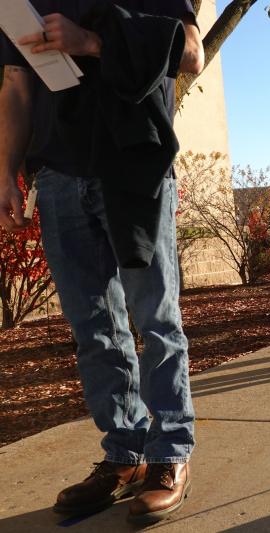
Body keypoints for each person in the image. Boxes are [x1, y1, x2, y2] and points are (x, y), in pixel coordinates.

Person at [0, 0, 202, 524]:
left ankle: (170, 453)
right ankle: (126, 454)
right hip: (58, 173)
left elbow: (192, 52)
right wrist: (6, 173)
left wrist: (94, 42)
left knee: (156, 319)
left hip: (134, 163)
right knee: (94, 329)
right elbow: (16, 83)